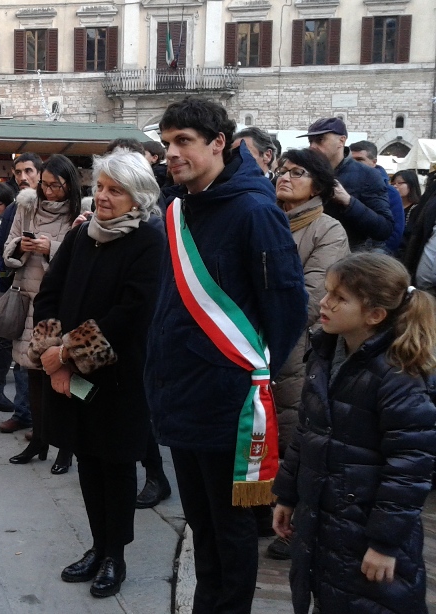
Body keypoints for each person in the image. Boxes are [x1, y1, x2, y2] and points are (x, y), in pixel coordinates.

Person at [145, 98, 307, 614]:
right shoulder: (178, 207)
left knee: (231, 527)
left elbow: (285, 306)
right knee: (201, 520)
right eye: (167, 143)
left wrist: (248, 372)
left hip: (230, 402)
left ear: (220, 144)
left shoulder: (255, 210)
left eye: (184, 141)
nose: (172, 153)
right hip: (179, 391)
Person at [29, 150, 165, 598]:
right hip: (70, 376)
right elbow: (49, 294)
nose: (103, 197)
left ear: (137, 196)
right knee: (87, 459)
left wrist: (65, 355)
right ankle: (96, 545)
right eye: (101, 187)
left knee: (117, 465)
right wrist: (51, 352)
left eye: (115, 190)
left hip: (119, 379)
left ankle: (115, 556)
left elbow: (131, 314)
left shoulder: (148, 243)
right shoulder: (81, 235)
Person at [273, 252, 436, 614]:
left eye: (340, 298)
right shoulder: (325, 352)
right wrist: (286, 495)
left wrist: (384, 543)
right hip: (326, 521)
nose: (325, 303)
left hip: (366, 531)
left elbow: (409, 468)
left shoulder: (397, 377)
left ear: (375, 315)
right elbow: (306, 432)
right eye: (328, 292)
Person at [265, 148, 349, 560]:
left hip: (299, 347)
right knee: (262, 431)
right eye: (283, 170)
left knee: (295, 431)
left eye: (298, 172)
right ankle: (263, 509)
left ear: (318, 184)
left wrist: (257, 302)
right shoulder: (265, 219)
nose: (285, 177)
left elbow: (314, 296)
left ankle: (293, 526)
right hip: (256, 342)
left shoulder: (327, 230)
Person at [4, 154, 83, 474]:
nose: (49, 192)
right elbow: (8, 245)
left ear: (70, 185)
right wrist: (23, 247)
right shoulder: (26, 206)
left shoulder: (81, 212)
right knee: (32, 374)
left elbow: (80, 258)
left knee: (61, 376)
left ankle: (66, 447)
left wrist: (51, 248)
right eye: (45, 185)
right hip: (28, 300)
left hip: (61, 303)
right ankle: (39, 439)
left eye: (56, 186)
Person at [0, 153, 42, 420]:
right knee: (12, 348)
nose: (23, 177)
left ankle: (36, 416)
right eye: (19, 172)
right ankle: (20, 410)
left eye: (29, 171)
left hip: (45, 290)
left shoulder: (57, 206)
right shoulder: (15, 208)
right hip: (16, 287)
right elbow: (0, 245)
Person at [303, 118, 392, 251]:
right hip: (306, 252)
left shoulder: (367, 175)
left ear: (342, 140)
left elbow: (384, 229)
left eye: (320, 140)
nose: (313, 146)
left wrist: (348, 201)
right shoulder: (302, 172)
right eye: (311, 141)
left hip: (346, 258)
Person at [349, 140, 404, 254]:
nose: (354, 164)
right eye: (350, 160)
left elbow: (395, 231)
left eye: (360, 159)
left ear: (373, 162)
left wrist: (377, 256)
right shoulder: (344, 186)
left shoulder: (389, 191)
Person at [392, 170, 422, 258]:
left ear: (411, 185)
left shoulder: (418, 209)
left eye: (399, 183)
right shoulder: (391, 207)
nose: (395, 186)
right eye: (393, 183)